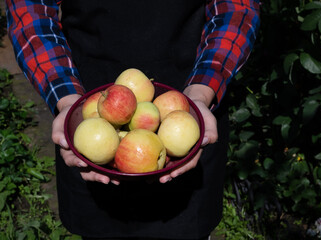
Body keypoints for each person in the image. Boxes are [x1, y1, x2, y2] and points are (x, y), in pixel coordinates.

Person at [6, 0, 260, 239]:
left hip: (188, 111)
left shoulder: (191, 109)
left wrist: (201, 93)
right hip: (88, 116)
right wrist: (67, 100)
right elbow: (31, 10)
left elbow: (236, 8)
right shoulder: (83, 116)